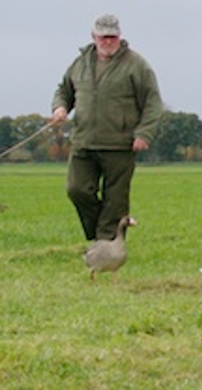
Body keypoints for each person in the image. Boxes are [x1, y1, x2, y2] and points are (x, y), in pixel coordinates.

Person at [51, 13, 165, 241]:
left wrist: (144, 134)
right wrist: (60, 108)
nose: (108, 41)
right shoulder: (80, 63)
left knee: (116, 199)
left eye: (112, 37)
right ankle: (102, 235)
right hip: (83, 142)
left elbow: (153, 102)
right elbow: (64, 90)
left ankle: (105, 244)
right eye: (103, 37)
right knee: (77, 190)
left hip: (120, 144)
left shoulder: (136, 65)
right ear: (93, 36)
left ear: (120, 36)